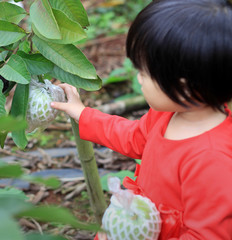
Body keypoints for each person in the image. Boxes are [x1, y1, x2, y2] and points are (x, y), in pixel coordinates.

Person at [50, 0, 232, 239]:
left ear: (183, 87)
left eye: (144, 72)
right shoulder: (168, 113)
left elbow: (205, 235)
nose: (139, 79)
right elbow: (134, 137)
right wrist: (84, 114)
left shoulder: (211, 159)